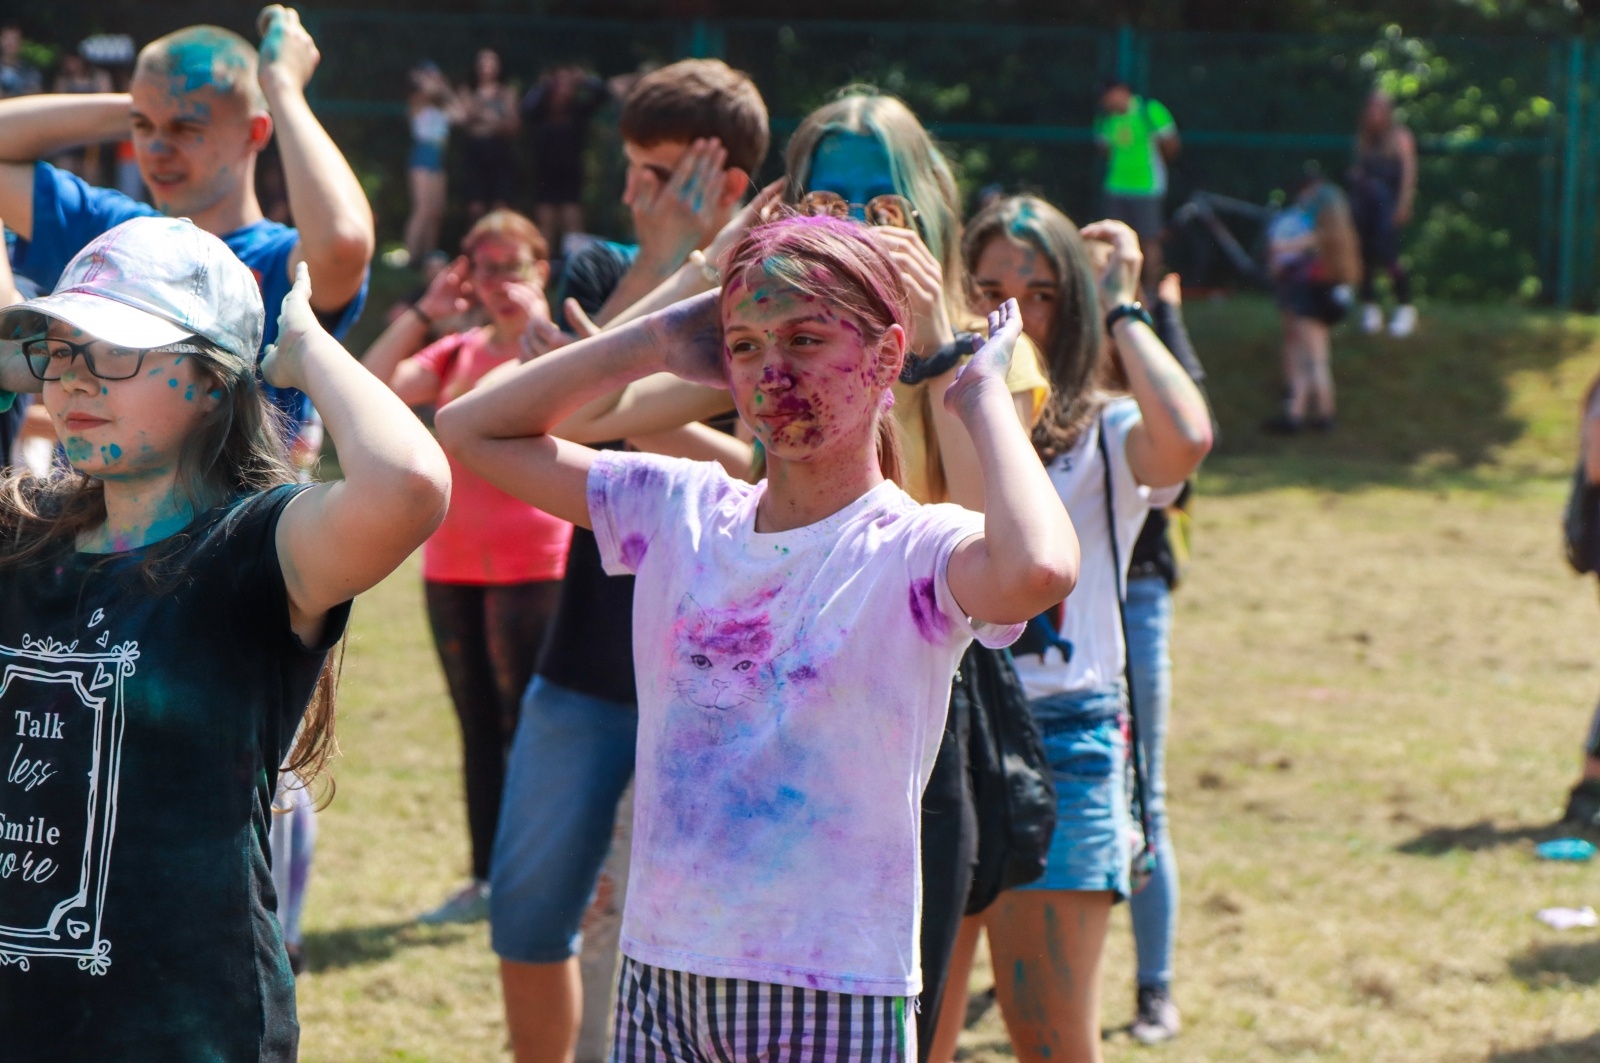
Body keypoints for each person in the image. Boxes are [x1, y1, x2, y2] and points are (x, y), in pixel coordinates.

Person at [437, 213, 1079, 1062]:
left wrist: (980, 394)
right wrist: (659, 340)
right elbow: (470, 430)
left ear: (886, 358)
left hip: (834, 988)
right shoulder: (683, 510)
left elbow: (1037, 569)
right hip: (663, 972)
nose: (774, 370)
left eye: (807, 339)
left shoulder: (914, 550)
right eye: (743, 346)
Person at [0, 215, 448, 1061]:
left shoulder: (255, 550)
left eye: (116, 350)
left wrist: (307, 350)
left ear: (213, 381)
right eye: (60, 348)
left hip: (187, 1030)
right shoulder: (22, 539)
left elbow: (410, 484)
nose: (75, 380)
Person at [481, 57, 769, 1063]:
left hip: (715, 677)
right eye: (629, 169)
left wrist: (645, 416)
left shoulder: (780, 297)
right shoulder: (603, 271)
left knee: (684, 934)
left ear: (722, 178)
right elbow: (565, 414)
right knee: (524, 910)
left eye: (654, 175)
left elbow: (774, 478)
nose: (627, 193)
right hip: (586, 665)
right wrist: (666, 260)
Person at [946, 200, 1212, 1063]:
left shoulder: (1107, 428)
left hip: (1065, 741)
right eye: (989, 289)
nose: (1015, 313)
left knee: (1053, 1042)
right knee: (914, 1040)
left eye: (1044, 293)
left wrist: (1124, 305)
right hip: (940, 734)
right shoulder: (933, 411)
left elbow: (1189, 436)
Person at [0, 9, 375, 458]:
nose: (156, 150)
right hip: (80, 521)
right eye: (145, 129)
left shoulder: (276, 260)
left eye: (186, 127)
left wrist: (282, 87)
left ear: (254, 131)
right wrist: (145, 105)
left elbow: (343, 244)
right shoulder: (112, 234)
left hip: (224, 527)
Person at [362, 210, 573, 925]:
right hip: (452, 566)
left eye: (511, 265)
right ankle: (485, 879)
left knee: (531, 727)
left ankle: (540, 879)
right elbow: (367, 384)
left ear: (541, 269)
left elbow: (590, 412)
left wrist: (539, 323)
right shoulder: (453, 353)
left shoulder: (560, 349)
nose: (497, 282)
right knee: (476, 728)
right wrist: (424, 312)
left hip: (534, 565)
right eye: (483, 267)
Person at [1264, 170, 1360, 435]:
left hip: (1311, 299)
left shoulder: (1317, 236)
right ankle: (1307, 411)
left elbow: (1281, 248)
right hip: (1332, 299)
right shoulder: (1343, 241)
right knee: (1317, 357)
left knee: (1311, 358)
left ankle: (1310, 413)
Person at [1094, 78, 1178, 296]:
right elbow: (1104, 149)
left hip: (1147, 187)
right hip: (1115, 187)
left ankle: (1150, 290)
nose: (1106, 102)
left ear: (1122, 91)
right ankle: (1115, 288)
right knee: (1111, 239)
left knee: (1149, 239)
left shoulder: (1150, 111)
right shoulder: (1106, 119)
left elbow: (1170, 144)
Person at [522, 65, 615, 255]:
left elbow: (604, 95)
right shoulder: (540, 113)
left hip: (571, 173)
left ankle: (576, 267)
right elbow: (525, 108)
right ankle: (543, 268)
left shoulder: (578, 112)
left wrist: (584, 79)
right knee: (545, 224)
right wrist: (542, 85)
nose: (564, 89)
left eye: (568, 84)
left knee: (572, 223)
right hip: (544, 174)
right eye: (559, 84)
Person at [1350, 90, 1419, 338]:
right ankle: (1369, 307)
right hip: (1364, 207)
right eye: (1371, 108)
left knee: (1389, 256)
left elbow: (1409, 175)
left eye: (1379, 108)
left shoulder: (1400, 137)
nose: (1374, 113)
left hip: (1387, 207)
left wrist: (1403, 205)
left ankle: (1405, 306)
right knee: (1363, 256)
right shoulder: (1364, 140)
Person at [403, 61, 459, 266]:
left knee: (436, 212)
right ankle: (411, 257)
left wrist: (445, 90)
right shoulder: (418, 101)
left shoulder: (443, 106)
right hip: (422, 155)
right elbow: (426, 89)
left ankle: (428, 257)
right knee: (422, 209)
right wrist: (438, 84)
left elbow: (461, 116)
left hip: (438, 156)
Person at [459, 48, 518, 224]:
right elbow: (466, 116)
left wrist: (486, 119)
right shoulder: (467, 90)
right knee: (475, 206)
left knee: (501, 204)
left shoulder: (507, 92)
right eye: (482, 62)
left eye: (491, 62)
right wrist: (492, 118)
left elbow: (513, 125)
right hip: (475, 150)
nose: (487, 67)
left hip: (499, 150)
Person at [0, 24, 41, 99]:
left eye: (14, 39)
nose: (10, 43)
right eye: (7, 39)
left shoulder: (30, 72)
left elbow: (34, 97)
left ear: (20, 43)